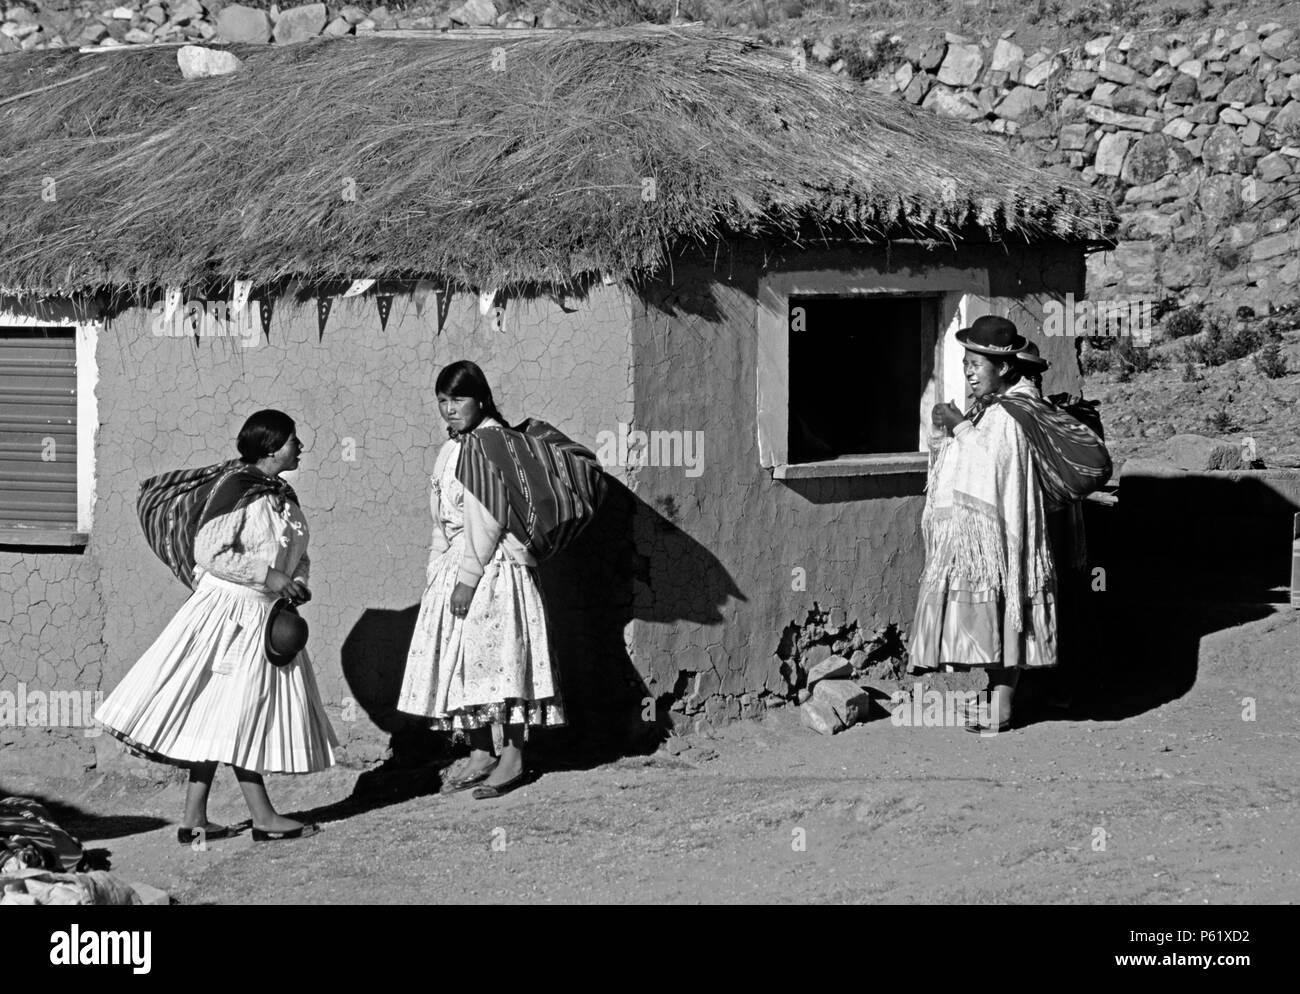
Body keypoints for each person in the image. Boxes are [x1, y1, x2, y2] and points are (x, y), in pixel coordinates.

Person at [96, 410, 336, 841]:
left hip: (263, 616)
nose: (300, 447)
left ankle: (194, 818)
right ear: (271, 446)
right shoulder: (238, 489)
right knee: (241, 709)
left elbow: (299, 553)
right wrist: (269, 576)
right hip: (227, 616)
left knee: (216, 710)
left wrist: (296, 581)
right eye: (293, 440)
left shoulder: (284, 496)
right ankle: (262, 817)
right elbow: (210, 552)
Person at [909, 316, 1110, 732]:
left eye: (976, 364)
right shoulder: (992, 410)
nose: (967, 371)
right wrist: (948, 430)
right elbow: (968, 460)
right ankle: (1003, 702)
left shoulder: (1014, 414)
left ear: (1002, 368)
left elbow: (992, 465)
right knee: (1003, 617)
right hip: (997, 534)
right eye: (965, 362)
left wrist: (960, 427)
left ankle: (1005, 707)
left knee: (1012, 615)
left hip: (1010, 534)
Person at [397, 361, 565, 799]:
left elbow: (487, 520)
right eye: (442, 402)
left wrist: (468, 578)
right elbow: (441, 518)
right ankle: (479, 752)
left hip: (494, 568)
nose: (449, 410)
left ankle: (512, 756)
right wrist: (437, 569)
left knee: (500, 661)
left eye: (457, 400)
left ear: (481, 399)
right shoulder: (452, 447)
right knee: (463, 661)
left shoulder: (488, 446)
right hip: (456, 565)